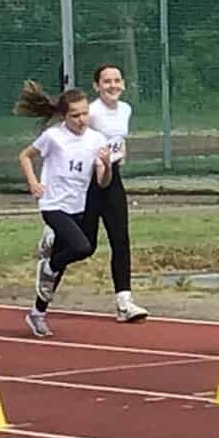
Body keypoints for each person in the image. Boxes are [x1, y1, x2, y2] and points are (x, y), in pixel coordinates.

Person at [15, 82, 110, 339]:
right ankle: (49, 259)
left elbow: (102, 181)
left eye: (85, 113)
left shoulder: (96, 139)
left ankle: (37, 313)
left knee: (80, 252)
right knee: (78, 248)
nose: (81, 120)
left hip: (78, 206)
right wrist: (33, 183)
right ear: (64, 116)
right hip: (53, 204)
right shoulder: (53, 137)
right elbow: (25, 156)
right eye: (75, 115)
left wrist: (107, 166)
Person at [84, 63, 147, 322]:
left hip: (113, 178)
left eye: (117, 80)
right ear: (97, 86)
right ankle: (53, 251)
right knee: (85, 245)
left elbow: (119, 140)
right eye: (107, 81)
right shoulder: (91, 112)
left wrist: (119, 157)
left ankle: (124, 302)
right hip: (87, 181)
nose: (113, 85)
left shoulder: (126, 109)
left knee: (120, 239)